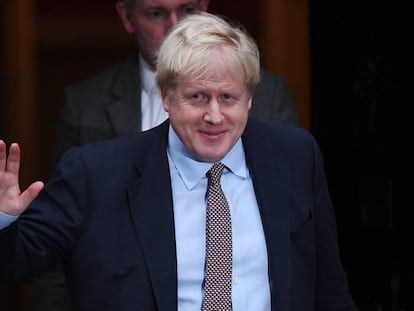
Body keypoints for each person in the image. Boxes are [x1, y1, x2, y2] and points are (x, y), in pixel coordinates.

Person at [0, 12, 355, 310]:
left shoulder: (295, 157)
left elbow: (329, 288)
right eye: (197, 97)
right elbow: (17, 264)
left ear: (249, 98)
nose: (214, 116)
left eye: (228, 97)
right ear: (166, 97)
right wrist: (3, 219)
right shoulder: (96, 173)